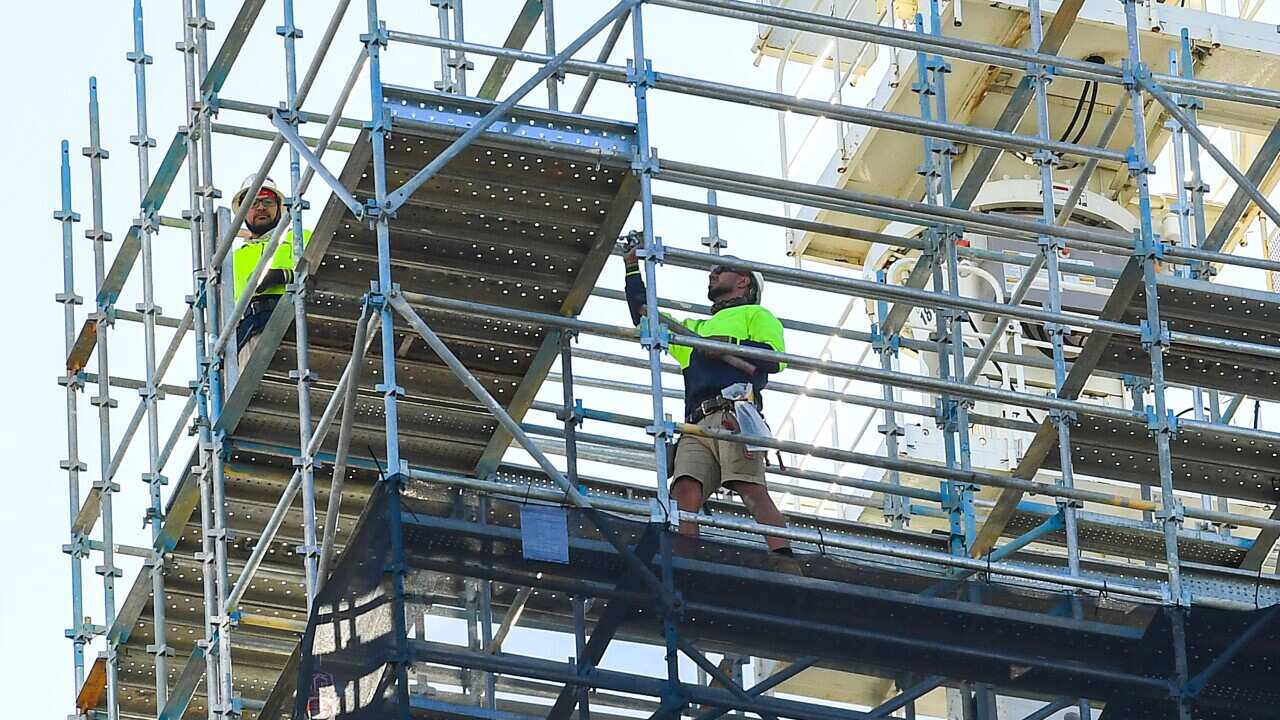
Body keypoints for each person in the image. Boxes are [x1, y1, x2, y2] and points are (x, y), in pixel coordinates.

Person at [623, 238, 794, 555]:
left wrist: (726, 343)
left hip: (735, 412)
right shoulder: (694, 329)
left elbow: (774, 359)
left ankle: (787, 564)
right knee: (685, 489)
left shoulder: (755, 315)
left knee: (750, 487)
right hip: (696, 424)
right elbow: (644, 316)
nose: (712, 274)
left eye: (720, 270)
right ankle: (686, 563)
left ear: (743, 281)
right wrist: (631, 267)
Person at [230, 175, 306, 370]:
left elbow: (323, 274)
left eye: (267, 201)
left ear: (280, 207)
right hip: (251, 332)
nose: (261, 207)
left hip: (295, 320)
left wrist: (284, 276)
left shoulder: (300, 237)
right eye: (253, 203)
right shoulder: (231, 259)